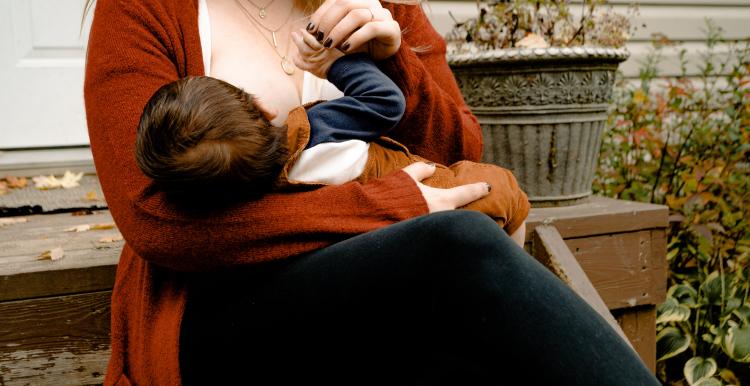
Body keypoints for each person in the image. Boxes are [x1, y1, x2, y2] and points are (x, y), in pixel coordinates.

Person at [83, 0, 662, 384]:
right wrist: (390, 207)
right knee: (454, 245)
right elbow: (156, 218)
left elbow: (463, 150)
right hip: (223, 304)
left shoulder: (372, 1)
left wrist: (395, 61)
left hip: (378, 285)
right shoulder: (144, 10)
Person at [134, 48, 528, 244]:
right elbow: (386, 102)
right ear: (260, 105)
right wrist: (334, 64)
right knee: (508, 194)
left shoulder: (259, 197)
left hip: (396, 239)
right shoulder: (316, 129)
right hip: (447, 192)